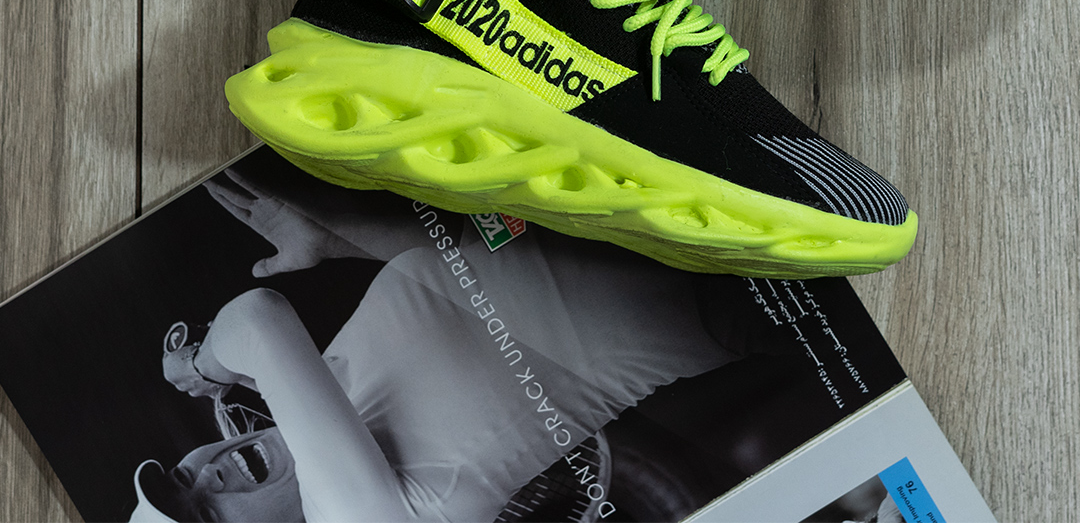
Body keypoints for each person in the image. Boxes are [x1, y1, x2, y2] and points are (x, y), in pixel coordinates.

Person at [127, 163, 782, 522]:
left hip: (608, 194)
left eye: (183, 476)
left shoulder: (318, 405)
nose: (207, 477)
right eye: (205, 517)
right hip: (714, 285)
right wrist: (203, 365)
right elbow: (258, 318)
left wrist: (334, 238)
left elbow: (472, 281)